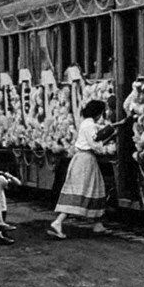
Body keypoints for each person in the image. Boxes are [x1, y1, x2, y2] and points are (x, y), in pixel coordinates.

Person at [48, 100, 112, 239]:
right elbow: (95, 145)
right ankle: (58, 222)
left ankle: (98, 224)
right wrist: (106, 141)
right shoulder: (90, 125)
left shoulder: (85, 123)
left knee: (96, 188)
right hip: (85, 161)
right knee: (80, 191)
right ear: (98, 113)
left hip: (84, 159)